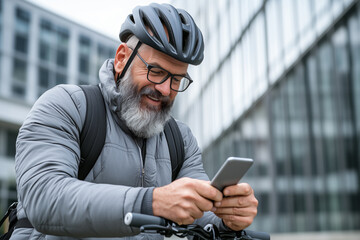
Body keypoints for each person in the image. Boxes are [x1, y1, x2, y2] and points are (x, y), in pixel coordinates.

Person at [12, 3, 258, 240]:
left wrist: (227, 217)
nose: (164, 89)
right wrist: (152, 202)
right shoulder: (66, 105)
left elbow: (200, 212)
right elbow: (43, 197)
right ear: (121, 58)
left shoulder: (180, 138)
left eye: (176, 79)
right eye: (156, 71)